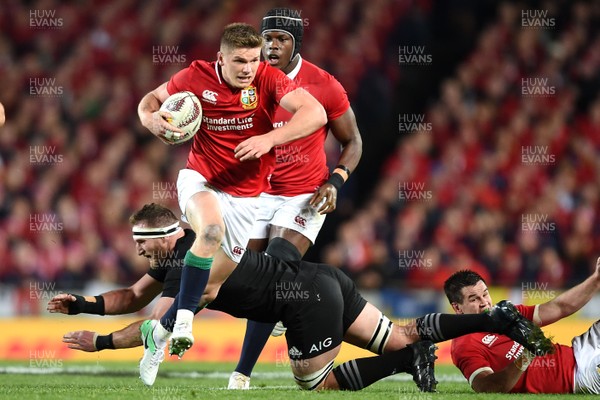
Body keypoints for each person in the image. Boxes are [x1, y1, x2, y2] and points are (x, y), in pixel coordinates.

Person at [137, 22, 327, 362]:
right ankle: (182, 325)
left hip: (247, 197)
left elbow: (316, 112)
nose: (248, 68)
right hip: (201, 179)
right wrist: (150, 119)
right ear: (220, 59)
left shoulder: (268, 78)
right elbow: (150, 100)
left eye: (253, 60)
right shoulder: (194, 76)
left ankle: (158, 336)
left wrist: (269, 139)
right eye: (240, 61)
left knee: (209, 290)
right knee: (209, 230)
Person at [139, 237, 554, 390]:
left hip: (307, 300)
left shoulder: (194, 271)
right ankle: (493, 319)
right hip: (328, 277)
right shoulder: (225, 242)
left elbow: (163, 313)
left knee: (315, 385)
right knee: (403, 332)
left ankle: (405, 362)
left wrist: (107, 340)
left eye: (144, 248)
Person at [229, 7, 364, 389]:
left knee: (273, 271)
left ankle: (241, 374)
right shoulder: (244, 79)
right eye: (267, 39)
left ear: (296, 43)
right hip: (257, 193)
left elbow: (352, 140)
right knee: (245, 280)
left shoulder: (323, 85)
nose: (272, 46)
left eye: (281, 39)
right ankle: (289, 306)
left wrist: (336, 181)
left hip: (304, 194)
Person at [46, 203, 194, 352]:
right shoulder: (174, 252)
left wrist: (100, 341)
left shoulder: (184, 260)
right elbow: (133, 296)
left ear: (164, 237)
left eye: (142, 242)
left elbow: (159, 323)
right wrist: (82, 303)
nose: (139, 252)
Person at [444, 258, 600, 394]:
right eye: (474, 299)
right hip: (581, 376)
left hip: (582, 348)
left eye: (485, 294)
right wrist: (527, 354)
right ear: (457, 307)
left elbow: (559, 307)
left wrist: (596, 280)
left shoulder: (506, 313)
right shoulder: (464, 345)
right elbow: (487, 387)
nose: (484, 302)